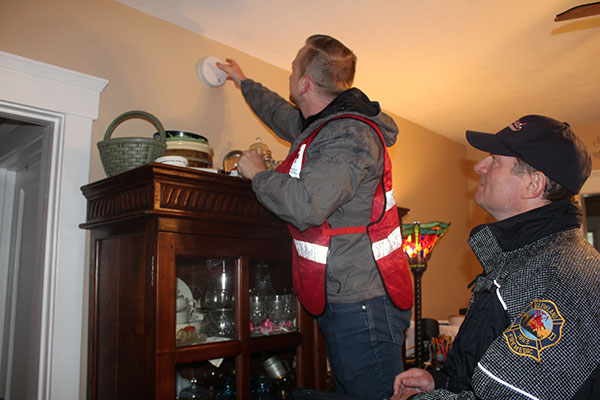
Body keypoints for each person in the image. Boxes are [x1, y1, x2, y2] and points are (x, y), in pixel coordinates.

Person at [217, 34, 413, 399]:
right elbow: (281, 114)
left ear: (304, 82)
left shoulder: (349, 135)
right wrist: (243, 81)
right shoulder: (323, 126)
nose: (289, 74)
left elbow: (306, 206)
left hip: (364, 304)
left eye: (293, 68)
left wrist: (258, 174)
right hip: (347, 298)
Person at [392, 115, 600, 400]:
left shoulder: (561, 276)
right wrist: (440, 384)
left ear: (533, 185)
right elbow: (487, 373)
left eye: (495, 160)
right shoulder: (521, 258)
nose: (479, 166)